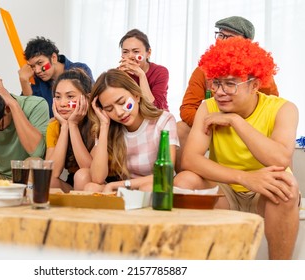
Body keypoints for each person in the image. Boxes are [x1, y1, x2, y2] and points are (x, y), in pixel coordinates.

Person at [173, 37, 300, 259]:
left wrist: (236, 121)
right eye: (216, 83)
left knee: (286, 187)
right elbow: (191, 160)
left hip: (266, 192)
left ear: (255, 85)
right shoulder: (208, 107)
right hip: (227, 189)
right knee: (184, 181)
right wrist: (244, 178)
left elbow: (280, 159)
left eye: (230, 84)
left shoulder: (284, 108)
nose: (220, 91)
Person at [176, 16, 280, 173]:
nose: (221, 41)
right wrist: (213, 123)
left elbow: (271, 108)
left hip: (252, 129)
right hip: (215, 126)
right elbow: (188, 108)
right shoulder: (203, 70)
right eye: (220, 35)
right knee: (180, 128)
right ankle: (190, 180)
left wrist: (238, 124)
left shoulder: (259, 73)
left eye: (229, 36)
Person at [79, 69, 178, 192]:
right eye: (109, 109)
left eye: (122, 102)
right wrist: (104, 127)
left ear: (136, 95)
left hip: (157, 187)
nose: (119, 113)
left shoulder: (164, 120)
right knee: (90, 187)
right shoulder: (109, 126)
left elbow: (165, 174)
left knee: (146, 189)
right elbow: (97, 178)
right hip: (126, 190)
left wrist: (115, 185)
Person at [45, 68, 95, 192]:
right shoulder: (54, 126)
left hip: (98, 183)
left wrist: (73, 125)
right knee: (47, 179)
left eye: (70, 96)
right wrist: (64, 127)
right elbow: (53, 172)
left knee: (82, 175)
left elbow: (92, 172)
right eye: (57, 97)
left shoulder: (98, 124)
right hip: (72, 181)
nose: (62, 103)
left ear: (87, 98)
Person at [18, 36, 94, 118]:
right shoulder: (36, 81)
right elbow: (31, 113)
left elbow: (91, 103)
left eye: (40, 63)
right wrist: (24, 81)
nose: (37, 70)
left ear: (54, 58)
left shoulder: (80, 69)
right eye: (32, 66)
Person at [118, 29, 169, 110]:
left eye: (135, 51)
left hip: (158, 118)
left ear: (148, 53)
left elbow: (155, 108)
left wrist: (141, 75)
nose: (130, 56)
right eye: (125, 52)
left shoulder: (160, 72)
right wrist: (120, 78)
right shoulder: (119, 73)